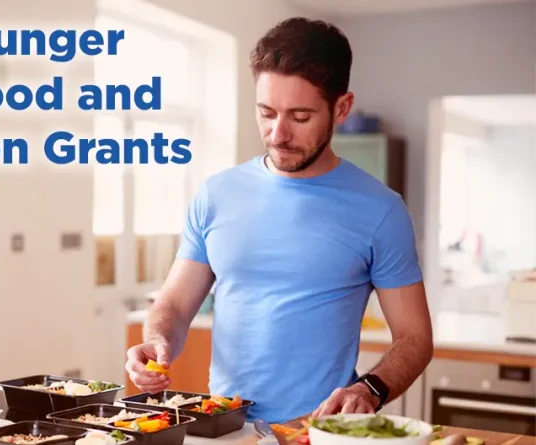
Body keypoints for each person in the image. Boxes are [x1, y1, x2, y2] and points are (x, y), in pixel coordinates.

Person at [124, 17, 434, 424]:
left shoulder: (381, 210)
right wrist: (157, 340)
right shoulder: (216, 195)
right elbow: (175, 306)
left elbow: (415, 338)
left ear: (341, 108)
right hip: (227, 427)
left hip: (319, 430)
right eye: (266, 113)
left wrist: (369, 389)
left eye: (300, 117)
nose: (278, 133)